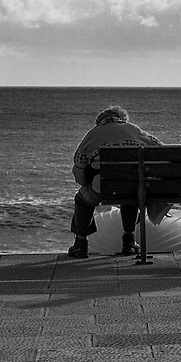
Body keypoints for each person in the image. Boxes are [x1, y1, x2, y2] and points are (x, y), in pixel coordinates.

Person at [69, 105, 164, 259]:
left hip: (101, 187)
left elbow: (79, 167)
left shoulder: (92, 134)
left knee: (82, 201)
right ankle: (129, 242)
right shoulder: (136, 130)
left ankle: (81, 244)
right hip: (133, 186)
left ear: (100, 121)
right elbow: (161, 151)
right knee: (130, 196)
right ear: (122, 119)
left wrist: (85, 183)